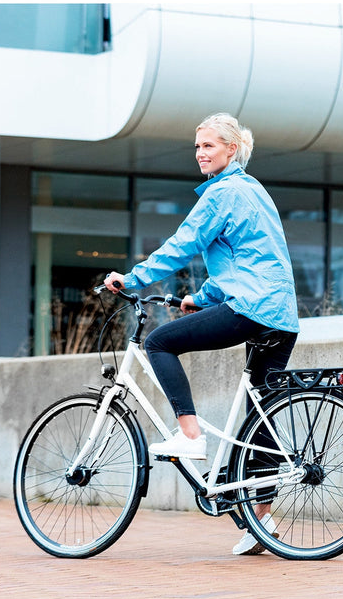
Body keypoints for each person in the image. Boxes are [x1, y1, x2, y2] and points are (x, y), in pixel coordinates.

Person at [104, 113, 299, 555]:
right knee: (261, 414)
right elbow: (249, 255)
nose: (201, 154)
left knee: (158, 342)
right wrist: (204, 296)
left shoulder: (222, 192)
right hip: (279, 313)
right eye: (197, 147)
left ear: (232, 149)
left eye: (209, 146)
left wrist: (132, 280)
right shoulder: (253, 190)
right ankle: (261, 526)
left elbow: (183, 244)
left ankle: (190, 436)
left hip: (250, 308)